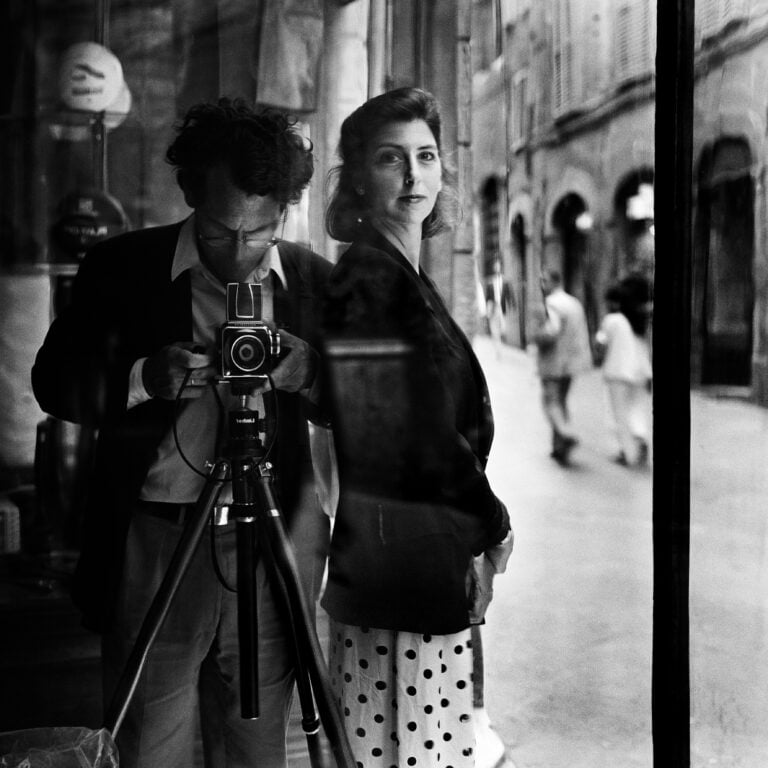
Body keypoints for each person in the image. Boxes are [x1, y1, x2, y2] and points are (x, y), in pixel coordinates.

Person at [32, 98, 333, 768]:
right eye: (223, 233)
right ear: (192, 195)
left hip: (270, 539)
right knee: (149, 743)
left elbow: (365, 407)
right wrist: (144, 376)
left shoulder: (313, 282)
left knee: (258, 746)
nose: (242, 252)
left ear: (283, 212)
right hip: (157, 535)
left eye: (262, 233)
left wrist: (310, 372)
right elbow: (53, 383)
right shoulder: (122, 268)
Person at [320, 86, 513, 768]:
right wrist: (493, 523)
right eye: (390, 158)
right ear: (357, 180)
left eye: (426, 156)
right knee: (411, 751)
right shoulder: (371, 281)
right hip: (398, 571)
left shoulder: (396, 274)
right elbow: (413, 435)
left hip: (409, 559)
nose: (412, 175)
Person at [532, 268, 592, 465]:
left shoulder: (552, 303)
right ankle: (559, 448)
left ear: (554, 282)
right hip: (571, 362)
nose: (541, 284)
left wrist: (537, 337)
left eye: (544, 280)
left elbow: (552, 331)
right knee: (561, 402)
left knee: (550, 402)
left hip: (554, 362)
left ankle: (566, 434)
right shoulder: (573, 302)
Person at [595, 280, 652, 466]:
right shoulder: (640, 321)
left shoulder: (613, 320)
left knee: (618, 413)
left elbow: (601, 344)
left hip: (617, 372)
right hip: (641, 372)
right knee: (636, 409)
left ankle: (627, 453)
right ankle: (640, 438)